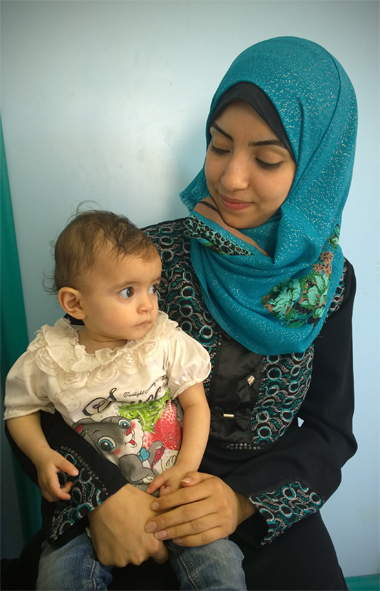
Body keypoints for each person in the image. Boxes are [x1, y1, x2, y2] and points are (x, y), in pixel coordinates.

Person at [6, 36, 357, 591]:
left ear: (317, 167)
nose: (231, 178)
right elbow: (55, 391)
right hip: (128, 489)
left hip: (258, 501)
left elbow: (330, 431)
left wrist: (241, 502)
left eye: (266, 159)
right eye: (219, 147)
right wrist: (105, 499)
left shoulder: (328, 284)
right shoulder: (146, 262)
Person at [4, 210, 248, 591]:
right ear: (76, 303)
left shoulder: (164, 342)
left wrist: (185, 467)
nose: (148, 304)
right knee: (58, 577)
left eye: (152, 287)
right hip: (87, 509)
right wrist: (40, 454)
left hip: (171, 492)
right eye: (127, 292)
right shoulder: (49, 358)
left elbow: (196, 406)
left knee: (220, 564)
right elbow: (19, 411)